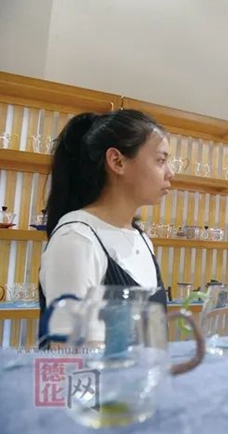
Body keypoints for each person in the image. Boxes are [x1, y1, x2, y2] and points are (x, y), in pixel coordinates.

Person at [38, 109, 173, 345]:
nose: (171, 173)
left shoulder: (141, 239)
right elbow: (70, 352)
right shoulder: (77, 239)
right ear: (117, 161)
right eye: (161, 160)